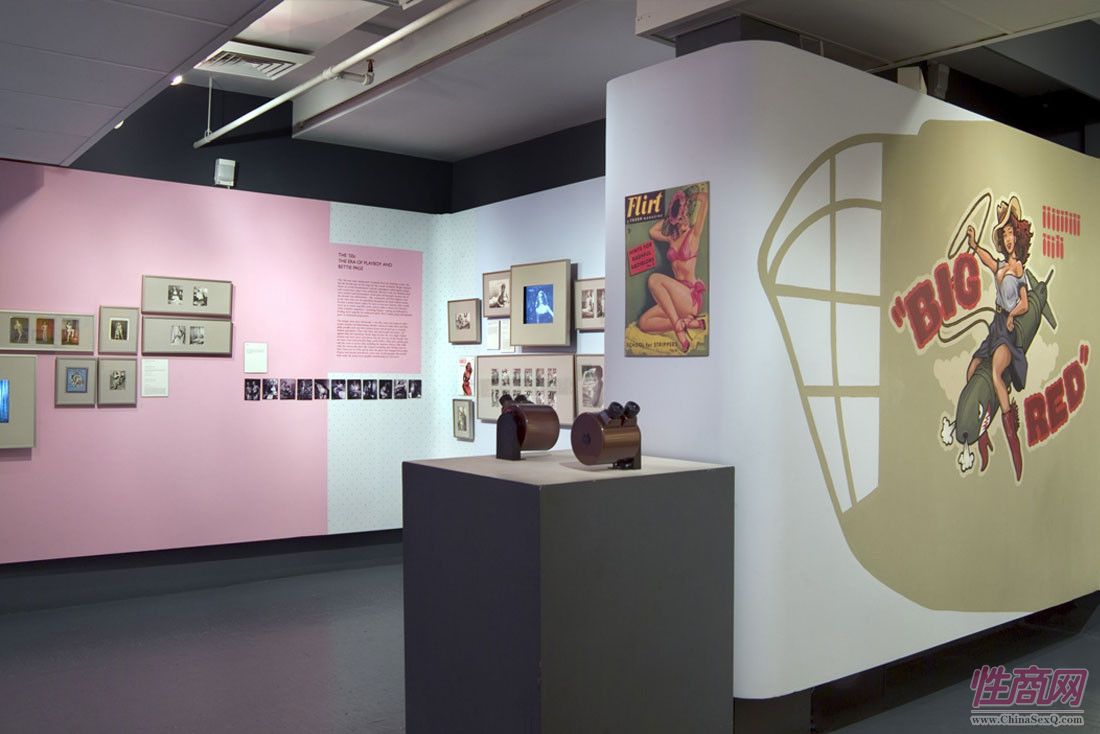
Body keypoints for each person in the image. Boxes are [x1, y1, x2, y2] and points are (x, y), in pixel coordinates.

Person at [964, 195, 1031, 481]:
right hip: (995, 325)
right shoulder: (1000, 265)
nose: (1008, 239)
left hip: (1008, 329)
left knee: (995, 373)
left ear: (1017, 236)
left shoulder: (1018, 269)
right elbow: (988, 260)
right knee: (971, 371)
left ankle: (1013, 443)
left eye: (1010, 233)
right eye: (1004, 235)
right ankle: (982, 436)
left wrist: (1013, 314)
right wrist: (974, 244)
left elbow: (1025, 303)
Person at [638, 184, 709, 352]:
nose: (683, 217)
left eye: (685, 214)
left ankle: (678, 328)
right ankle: (688, 323)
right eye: (680, 215)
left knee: (654, 279)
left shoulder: (694, 234)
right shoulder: (671, 238)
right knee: (644, 323)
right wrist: (672, 215)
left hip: (689, 297)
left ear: (688, 214)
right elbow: (652, 231)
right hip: (675, 300)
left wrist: (689, 198)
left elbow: (705, 199)